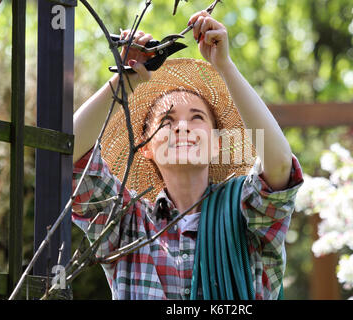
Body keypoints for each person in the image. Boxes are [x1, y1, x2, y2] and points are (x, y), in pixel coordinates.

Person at [72, 10, 303, 300]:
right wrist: (124, 82)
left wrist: (225, 67)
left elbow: (280, 164)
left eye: (196, 118)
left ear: (217, 143)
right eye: (167, 121)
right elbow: (69, 151)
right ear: (145, 147)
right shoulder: (127, 224)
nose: (182, 127)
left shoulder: (245, 211)